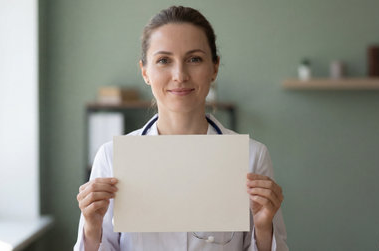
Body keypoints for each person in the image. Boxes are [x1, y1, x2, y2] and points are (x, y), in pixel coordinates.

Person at [75, 6, 288, 251]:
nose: (180, 75)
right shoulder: (111, 158)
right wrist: (91, 229)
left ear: (214, 68)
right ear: (145, 71)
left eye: (194, 59)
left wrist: (263, 228)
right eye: (164, 60)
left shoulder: (252, 156)